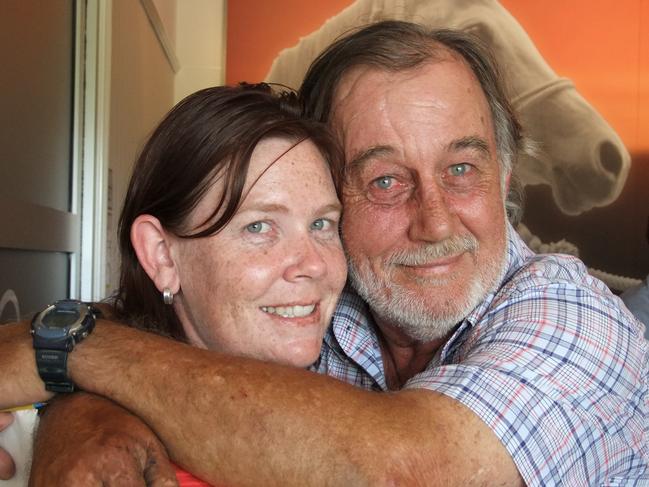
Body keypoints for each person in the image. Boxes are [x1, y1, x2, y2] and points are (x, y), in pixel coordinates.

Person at [0, 21, 647, 486]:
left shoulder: (575, 317)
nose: (433, 220)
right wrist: (85, 412)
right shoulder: (321, 306)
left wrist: (65, 350)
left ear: (503, 181)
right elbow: (152, 331)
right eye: (385, 180)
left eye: (460, 169)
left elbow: (410, 470)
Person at [0, 83, 347, 485]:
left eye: (322, 224)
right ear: (162, 255)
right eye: (259, 227)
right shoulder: (30, 446)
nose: (314, 265)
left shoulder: (360, 401)